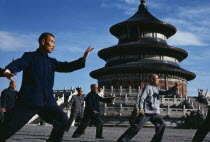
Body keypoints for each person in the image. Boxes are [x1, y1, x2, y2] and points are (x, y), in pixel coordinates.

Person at [0, 32, 93, 142]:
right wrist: (7, 71)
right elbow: (19, 63)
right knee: (6, 130)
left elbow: (66, 66)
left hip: (47, 103)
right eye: (52, 42)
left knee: (62, 119)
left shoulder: (51, 62)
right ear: (43, 42)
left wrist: (82, 59)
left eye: (54, 42)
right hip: (29, 102)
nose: (54, 45)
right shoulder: (30, 57)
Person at [117, 74, 178, 142]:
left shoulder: (157, 89)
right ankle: (122, 140)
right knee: (136, 127)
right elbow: (142, 98)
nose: (158, 80)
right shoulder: (147, 87)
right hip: (146, 112)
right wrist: (141, 109)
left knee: (162, 124)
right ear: (152, 79)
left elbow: (166, 92)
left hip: (154, 113)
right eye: (157, 79)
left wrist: (174, 87)